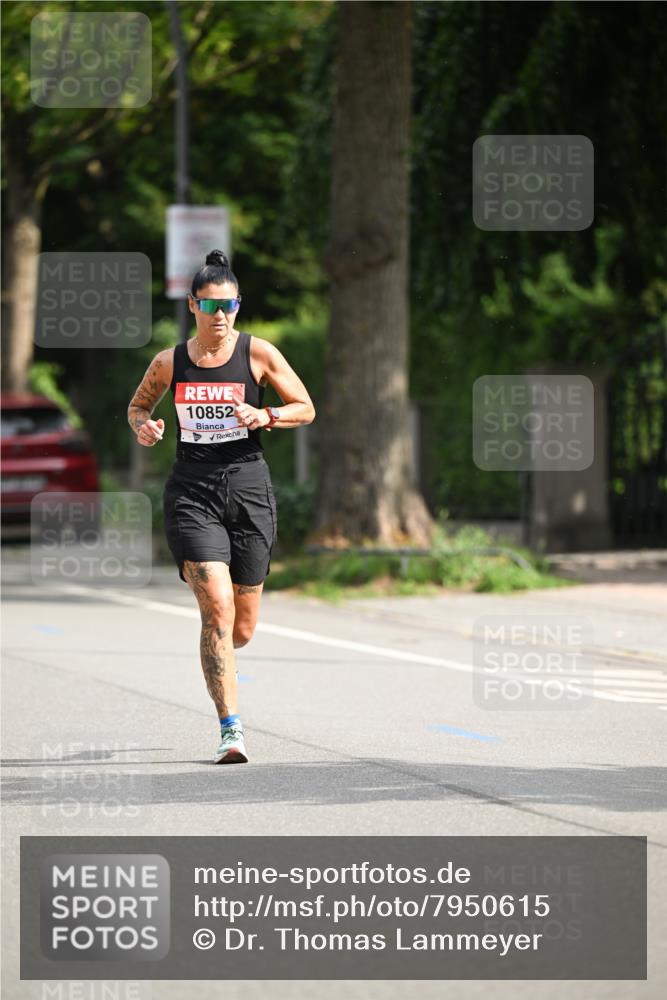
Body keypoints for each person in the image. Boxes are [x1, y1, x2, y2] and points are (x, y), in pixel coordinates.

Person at [127, 249, 316, 764]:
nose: (220, 316)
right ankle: (231, 728)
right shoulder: (171, 362)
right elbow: (139, 404)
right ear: (192, 305)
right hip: (192, 490)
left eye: (229, 306)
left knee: (242, 627)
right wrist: (143, 425)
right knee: (217, 607)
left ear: (238, 305)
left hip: (249, 487)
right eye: (210, 307)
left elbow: (306, 407)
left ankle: (225, 658)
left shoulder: (259, 354)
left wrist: (267, 415)